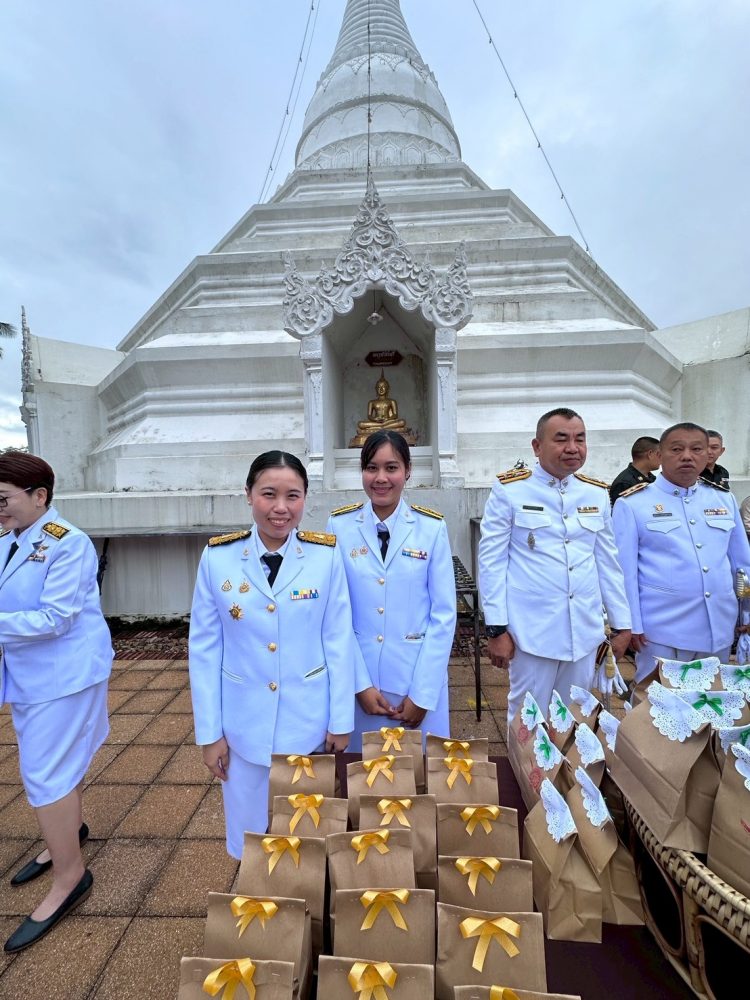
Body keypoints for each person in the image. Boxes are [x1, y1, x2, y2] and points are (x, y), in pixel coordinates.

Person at [189, 451, 356, 858]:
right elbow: (204, 649)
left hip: (308, 722)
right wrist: (210, 734)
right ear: (248, 494)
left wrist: (340, 719)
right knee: (249, 842)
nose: (280, 508)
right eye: (268, 494)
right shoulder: (218, 558)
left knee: (306, 838)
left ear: (305, 499)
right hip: (242, 726)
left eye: (292, 496)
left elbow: (338, 639)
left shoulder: (325, 556)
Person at [0, 453, 112, 953]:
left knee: (44, 775)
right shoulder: (9, 538)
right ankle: (67, 834)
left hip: (65, 676)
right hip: (33, 676)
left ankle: (70, 877)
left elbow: (55, 618)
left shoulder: (70, 543)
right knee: (58, 765)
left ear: (39, 496)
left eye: (4, 499)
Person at [478, 408, 632, 721]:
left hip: (584, 630)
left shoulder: (595, 492)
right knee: (528, 717)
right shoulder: (510, 490)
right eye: (561, 439)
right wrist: (496, 628)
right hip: (531, 632)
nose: (572, 448)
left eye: (580, 439)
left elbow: (608, 562)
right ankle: (528, 759)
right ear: (537, 447)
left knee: (575, 716)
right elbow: (491, 561)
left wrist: (622, 623)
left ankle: (567, 757)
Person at [326, 430, 456, 750]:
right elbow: (336, 614)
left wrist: (423, 694)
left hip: (415, 679)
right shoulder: (339, 527)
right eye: (371, 468)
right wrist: (359, 685)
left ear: (408, 471)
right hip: (361, 682)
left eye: (392, 467)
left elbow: (443, 615)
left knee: (421, 773)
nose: (381, 478)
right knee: (362, 773)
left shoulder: (431, 529)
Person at [612, 422, 750, 681]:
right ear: (659, 455)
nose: (687, 456)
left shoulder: (723, 499)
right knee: (655, 703)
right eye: (677, 449)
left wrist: (747, 613)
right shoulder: (633, 503)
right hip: (662, 631)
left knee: (713, 701)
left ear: (707, 454)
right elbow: (624, 572)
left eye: (696, 449)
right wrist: (630, 625)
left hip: (718, 627)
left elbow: (742, 565)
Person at [609, 436, 660, 505]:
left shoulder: (652, 478)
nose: (662, 458)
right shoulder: (624, 483)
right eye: (659, 454)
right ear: (650, 454)